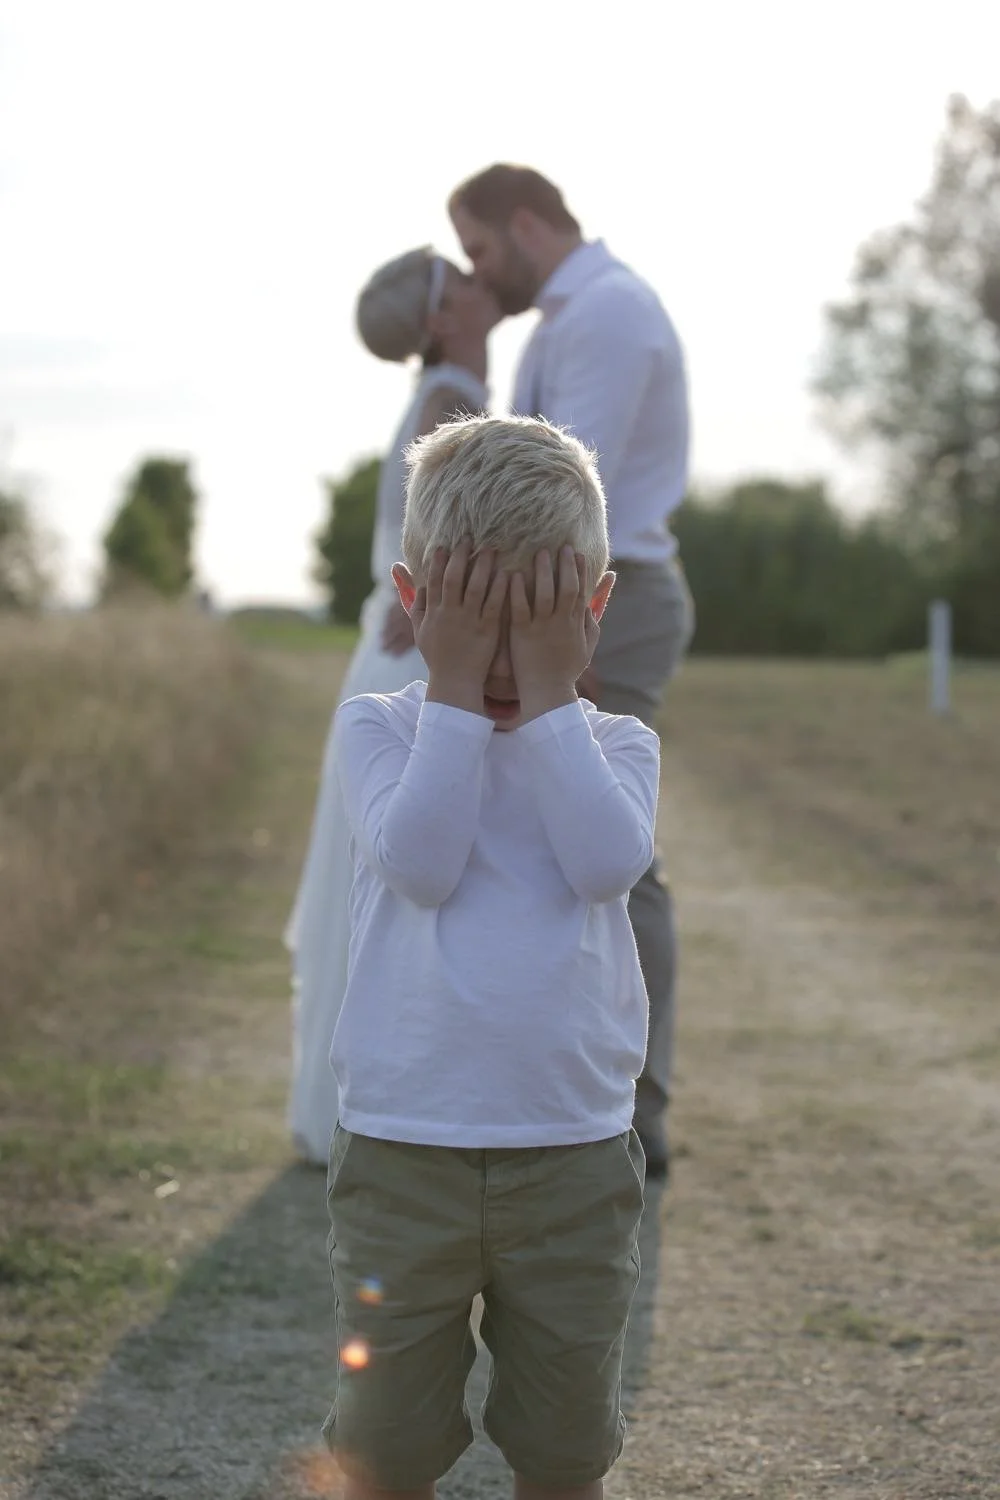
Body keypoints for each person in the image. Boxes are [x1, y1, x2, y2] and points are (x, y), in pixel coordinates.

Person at [324, 414, 659, 1497]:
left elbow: (607, 863)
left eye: (541, 625)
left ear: (593, 609)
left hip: (569, 1155)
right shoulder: (381, 731)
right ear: (416, 603)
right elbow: (419, 861)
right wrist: (455, 694)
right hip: (401, 1156)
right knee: (387, 1440)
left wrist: (554, 697)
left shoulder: (614, 745)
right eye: (479, 624)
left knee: (564, 1441)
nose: (506, 659)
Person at [449, 165, 694, 1179]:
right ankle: (541, 1082)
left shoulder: (607, 313)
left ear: (523, 223)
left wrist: (538, 623)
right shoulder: (564, 319)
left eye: (477, 250)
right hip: (557, 588)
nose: (476, 271)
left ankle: (636, 1105)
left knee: (613, 847)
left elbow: (559, 486)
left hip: (607, 594)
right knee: (536, 830)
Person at [285, 247, 498, 1165]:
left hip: (396, 640)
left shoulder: (442, 393)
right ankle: (381, 1109)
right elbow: (465, 542)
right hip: (417, 658)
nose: (483, 279)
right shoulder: (453, 399)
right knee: (406, 876)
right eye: (463, 273)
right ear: (446, 315)